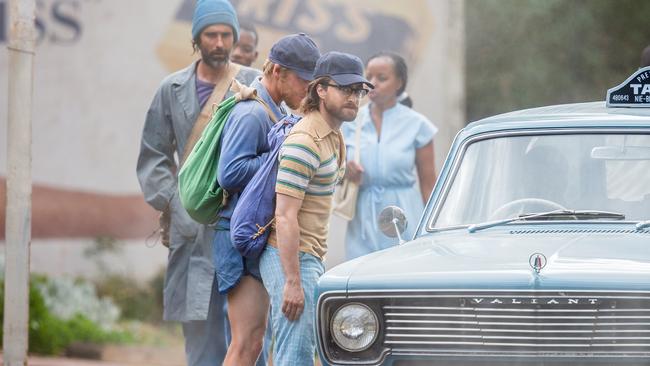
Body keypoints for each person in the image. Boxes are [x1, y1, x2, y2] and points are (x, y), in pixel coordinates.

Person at [136, 1, 261, 365]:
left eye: (226, 34)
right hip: (193, 233)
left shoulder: (253, 83)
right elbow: (153, 157)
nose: (220, 42)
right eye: (212, 34)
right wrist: (179, 204)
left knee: (250, 335)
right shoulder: (170, 88)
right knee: (201, 339)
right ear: (197, 39)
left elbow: (272, 146)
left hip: (241, 225)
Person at [260, 51, 373, 365]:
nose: (354, 97)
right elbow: (284, 215)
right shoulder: (305, 140)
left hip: (311, 256)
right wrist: (292, 281)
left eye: (359, 91)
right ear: (321, 89)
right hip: (292, 257)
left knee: (306, 352)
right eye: (346, 89)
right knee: (294, 356)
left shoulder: (334, 134)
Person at [214, 33, 321, 366]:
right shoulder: (253, 113)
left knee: (255, 341)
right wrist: (281, 155)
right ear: (277, 71)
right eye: (303, 80)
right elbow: (229, 173)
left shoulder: (273, 109)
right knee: (245, 343)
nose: (308, 90)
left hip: (250, 234)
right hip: (237, 233)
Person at [342, 51, 438, 260]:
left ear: (399, 83)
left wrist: (435, 231)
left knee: (402, 278)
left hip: (405, 214)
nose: (372, 83)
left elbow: (429, 186)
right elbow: (330, 171)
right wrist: (345, 171)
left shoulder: (418, 125)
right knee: (361, 281)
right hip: (363, 219)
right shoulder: (350, 122)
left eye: (382, 78)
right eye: (369, 77)